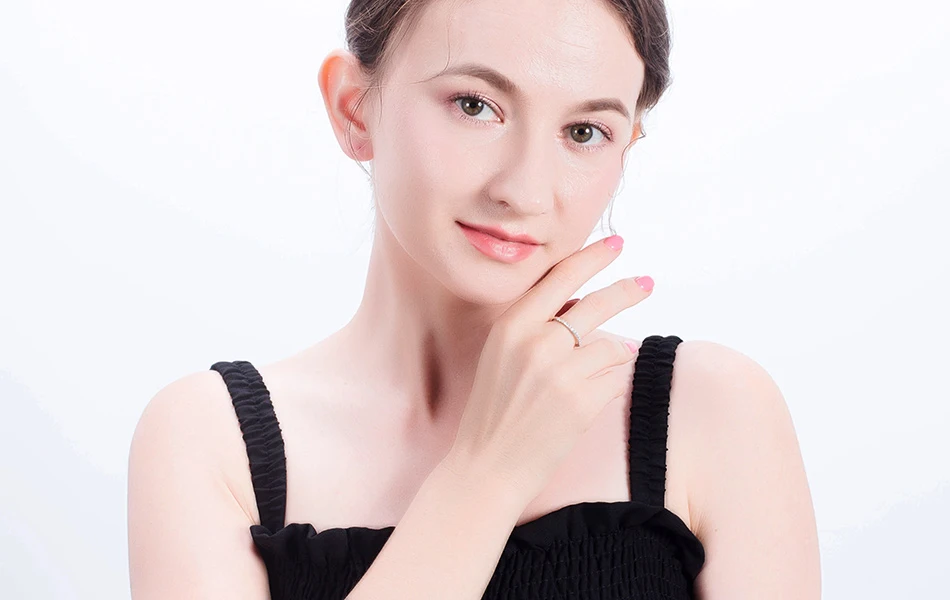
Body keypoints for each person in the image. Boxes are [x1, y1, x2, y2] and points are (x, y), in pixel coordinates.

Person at [127, 0, 821, 598]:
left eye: (585, 132)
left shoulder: (711, 412)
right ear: (353, 108)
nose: (524, 190)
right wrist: (488, 475)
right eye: (475, 105)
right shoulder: (210, 442)